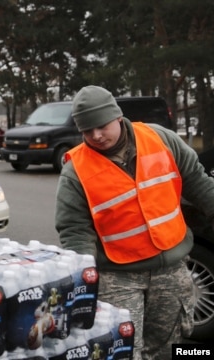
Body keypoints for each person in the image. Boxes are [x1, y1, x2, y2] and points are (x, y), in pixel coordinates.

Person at [55, 85, 214, 359]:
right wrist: (85, 279)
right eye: (86, 130)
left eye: (101, 126)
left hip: (171, 269)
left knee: (166, 346)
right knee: (123, 350)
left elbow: (199, 184)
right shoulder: (75, 171)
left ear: (117, 116)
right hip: (119, 276)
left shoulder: (161, 139)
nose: (96, 136)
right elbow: (75, 230)